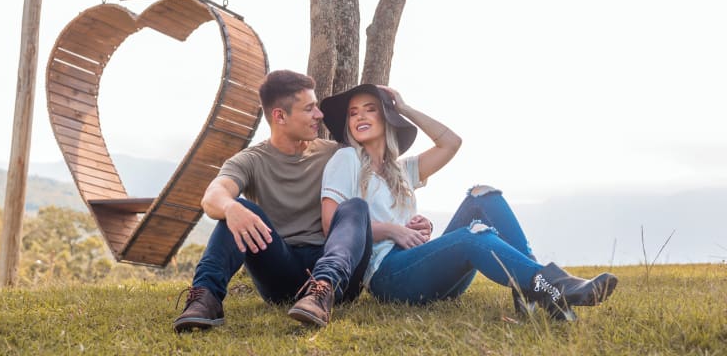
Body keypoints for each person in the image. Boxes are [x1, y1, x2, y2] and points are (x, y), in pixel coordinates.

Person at [318, 83, 617, 320]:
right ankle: (552, 285)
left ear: (387, 118)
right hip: (388, 276)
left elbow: (451, 143)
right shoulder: (347, 159)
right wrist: (393, 231)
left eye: (370, 109)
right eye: (353, 113)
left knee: (482, 195)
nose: (360, 116)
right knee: (472, 234)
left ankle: (532, 286)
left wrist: (405, 108)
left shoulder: (402, 170)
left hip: (421, 267)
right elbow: (332, 225)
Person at [173, 70, 372, 332]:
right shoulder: (251, 160)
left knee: (356, 207)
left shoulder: (337, 154)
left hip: (336, 275)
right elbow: (212, 196)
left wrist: (393, 106)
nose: (319, 115)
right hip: (280, 270)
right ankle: (206, 298)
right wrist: (231, 207)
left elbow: (387, 169)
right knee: (237, 208)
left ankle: (322, 290)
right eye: (309, 108)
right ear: (280, 116)